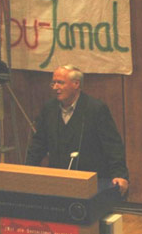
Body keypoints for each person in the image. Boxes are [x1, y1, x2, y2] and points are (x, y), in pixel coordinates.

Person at [26, 64, 129, 196]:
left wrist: (120, 175)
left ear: (76, 84)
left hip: (91, 182)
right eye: (54, 83)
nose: (55, 87)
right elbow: (38, 144)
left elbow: (113, 146)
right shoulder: (49, 109)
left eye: (60, 83)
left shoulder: (96, 109)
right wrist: (28, 170)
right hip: (57, 181)